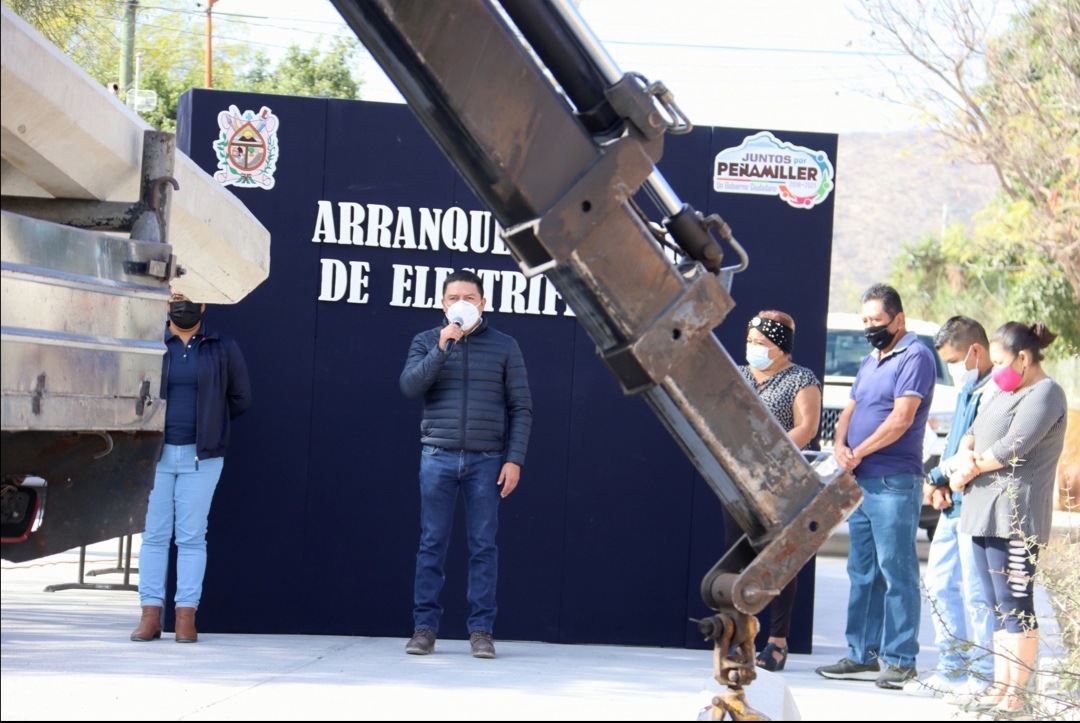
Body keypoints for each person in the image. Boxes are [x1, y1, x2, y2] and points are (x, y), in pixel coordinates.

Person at [399, 269, 532, 659]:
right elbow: (410, 387)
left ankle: (481, 631)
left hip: (487, 460)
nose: (461, 303)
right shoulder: (426, 341)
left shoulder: (505, 346)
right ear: (442, 304)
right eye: (453, 297)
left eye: (469, 298)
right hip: (436, 456)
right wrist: (443, 348)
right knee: (431, 544)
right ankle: (424, 628)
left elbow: (521, 408)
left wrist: (514, 460)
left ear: (483, 303)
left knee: (483, 546)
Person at [815, 283, 936, 689]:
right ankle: (860, 655)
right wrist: (839, 446)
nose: (870, 328)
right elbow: (850, 408)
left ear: (898, 319)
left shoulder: (915, 356)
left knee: (896, 571)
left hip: (892, 482)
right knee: (862, 571)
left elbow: (901, 419)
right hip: (861, 480)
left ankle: (901, 659)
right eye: (865, 321)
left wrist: (859, 451)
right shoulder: (872, 358)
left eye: (876, 321)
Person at [948, 322, 1067, 718]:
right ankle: (1001, 685)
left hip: (1015, 516)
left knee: (1016, 602)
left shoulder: (1046, 393)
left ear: (1023, 358)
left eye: (1000, 361)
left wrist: (965, 471)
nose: (996, 369)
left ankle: (1018, 692)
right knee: (995, 604)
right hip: (982, 511)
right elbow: (972, 433)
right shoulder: (1000, 389)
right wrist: (965, 456)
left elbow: (1012, 447)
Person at [130, 290, 251, 643]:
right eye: (176, 298)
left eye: (190, 299)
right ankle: (150, 615)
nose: (182, 305)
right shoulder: (151, 342)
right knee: (153, 536)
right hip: (153, 455)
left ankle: (185, 618)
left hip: (203, 457)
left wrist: (212, 422)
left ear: (203, 305)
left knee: (191, 537)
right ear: (166, 303)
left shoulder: (222, 346)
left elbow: (241, 397)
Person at [902, 316, 995, 699]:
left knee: (977, 595)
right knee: (940, 584)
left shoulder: (995, 394)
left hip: (975, 506)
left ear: (975, 350)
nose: (954, 371)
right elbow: (954, 444)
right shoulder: (967, 390)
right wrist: (939, 483)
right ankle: (951, 668)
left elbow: (971, 455)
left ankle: (985, 673)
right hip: (952, 505)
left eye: (956, 361)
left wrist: (937, 476)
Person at [722, 311, 821, 671]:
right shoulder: (739, 373)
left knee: (778, 559)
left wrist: (767, 456)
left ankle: (776, 643)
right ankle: (739, 637)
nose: (753, 348)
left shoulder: (800, 379)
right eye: (749, 341)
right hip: (738, 480)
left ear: (781, 347)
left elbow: (806, 427)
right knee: (739, 559)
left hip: (781, 480)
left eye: (761, 343)